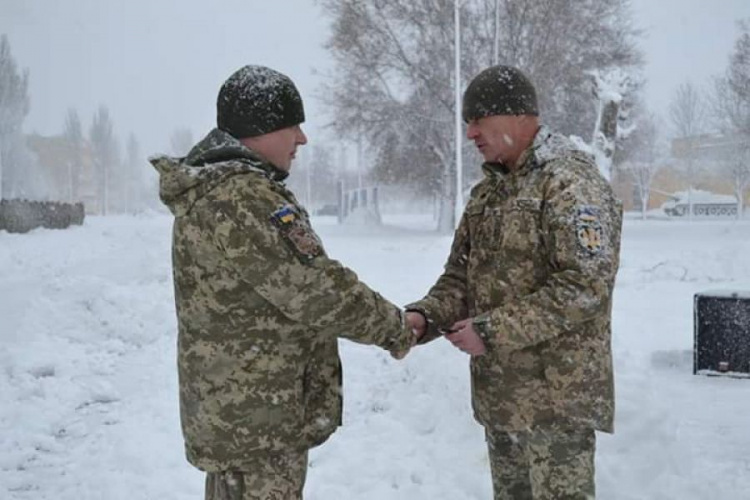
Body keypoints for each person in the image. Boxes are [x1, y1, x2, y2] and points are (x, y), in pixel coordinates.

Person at [150, 65, 415, 500]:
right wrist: (397, 328)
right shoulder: (242, 198)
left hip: (245, 415)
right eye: (294, 126)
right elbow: (315, 289)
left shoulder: (225, 191)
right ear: (262, 127)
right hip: (257, 423)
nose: (302, 139)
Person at [404, 65, 623, 499]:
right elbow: (460, 278)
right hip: (502, 401)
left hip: (556, 406)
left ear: (519, 117)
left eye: (478, 120)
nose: (470, 134)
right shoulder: (488, 194)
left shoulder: (570, 182)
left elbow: (585, 286)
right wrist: (424, 317)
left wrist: (491, 331)